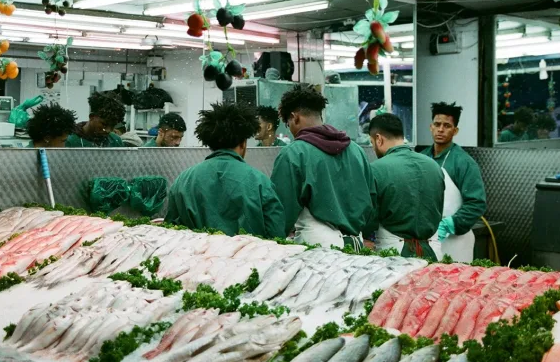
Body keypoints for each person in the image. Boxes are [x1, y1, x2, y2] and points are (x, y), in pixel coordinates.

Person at [271, 84, 376, 250]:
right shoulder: (356, 151)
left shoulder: (294, 153)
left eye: (288, 123)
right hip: (357, 247)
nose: (290, 130)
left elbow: (281, 212)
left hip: (317, 250)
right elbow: (372, 200)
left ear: (294, 117)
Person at [166, 102, 285, 238]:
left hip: (198, 258)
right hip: (248, 258)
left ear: (210, 142)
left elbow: (171, 233)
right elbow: (277, 236)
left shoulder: (182, 181)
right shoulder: (261, 183)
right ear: (243, 143)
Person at [368, 113, 444, 259]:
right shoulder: (434, 166)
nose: (373, 148)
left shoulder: (375, 169)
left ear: (378, 139)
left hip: (392, 254)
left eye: (371, 143)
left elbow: (369, 217)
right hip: (433, 252)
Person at [421, 102, 487, 262]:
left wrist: (448, 225)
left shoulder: (464, 162)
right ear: (431, 127)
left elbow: (476, 204)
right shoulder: (421, 158)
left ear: (455, 130)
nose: (441, 129)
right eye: (437, 124)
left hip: (455, 241)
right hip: (424, 237)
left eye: (447, 125)